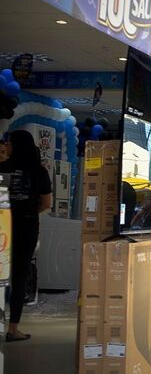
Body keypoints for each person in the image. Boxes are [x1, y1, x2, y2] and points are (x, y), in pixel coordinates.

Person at [0, 130, 52, 341]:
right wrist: (28, 212)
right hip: (27, 227)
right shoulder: (39, 171)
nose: (7, 147)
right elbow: (46, 203)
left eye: (9, 143)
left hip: (2, 227)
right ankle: (13, 329)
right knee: (20, 276)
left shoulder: (2, 168)